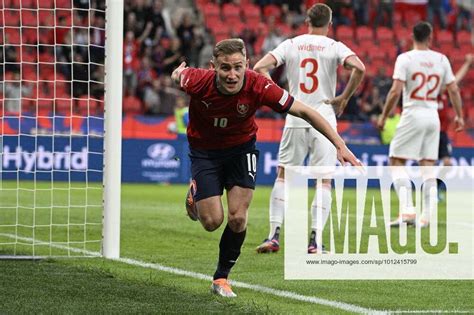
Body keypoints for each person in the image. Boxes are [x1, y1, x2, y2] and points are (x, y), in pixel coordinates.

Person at [171, 38, 361, 297]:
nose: (232, 74)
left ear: (247, 64)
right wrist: (177, 74)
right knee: (212, 221)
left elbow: (306, 112)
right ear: (213, 66)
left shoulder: (259, 85)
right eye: (225, 68)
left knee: (238, 218)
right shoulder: (198, 81)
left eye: (238, 67)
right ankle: (195, 193)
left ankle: (222, 278)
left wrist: (340, 145)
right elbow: (179, 76)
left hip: (241, 150)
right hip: (205, 153)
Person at [252, 3, 365, 254]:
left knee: (283, 176)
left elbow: (259, 67)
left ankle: (273, 235)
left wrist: (280, 96)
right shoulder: (335, 46)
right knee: (323, 181)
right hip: (324, 117)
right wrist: (344, 97)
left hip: (295, 115)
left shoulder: (292, 43)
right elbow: (360, 67)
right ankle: (314, 241)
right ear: (330, 24)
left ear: (307, 21)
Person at [377, 22, 464, 228]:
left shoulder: (405, 58)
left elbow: (395, 91)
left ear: (411, 37)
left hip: (413, 112)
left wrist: (384, 115)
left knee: (395, 161)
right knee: (428, 167)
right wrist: (459, 115)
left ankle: (407, 210)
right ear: (431, 37)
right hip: (433, 116)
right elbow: (453, 90)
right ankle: (425, 218)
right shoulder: (441, 59)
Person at [438, 54, 472, 167]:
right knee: (428, 163)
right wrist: (467, 65)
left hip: (442, 134)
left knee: (447, 164)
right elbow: (454, 82)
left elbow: (455, 81)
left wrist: (467, 65)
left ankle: (436, 184)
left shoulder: (444, 95)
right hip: (430, 133)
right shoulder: (434, 93)